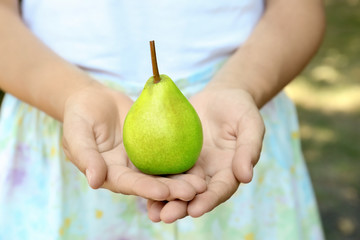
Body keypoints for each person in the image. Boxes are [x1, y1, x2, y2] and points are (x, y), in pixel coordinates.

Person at [0, 0, 326, 239]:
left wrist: (241, 85)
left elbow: (298, 9)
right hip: (60, 113)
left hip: (235, 118)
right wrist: (72, 95)